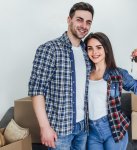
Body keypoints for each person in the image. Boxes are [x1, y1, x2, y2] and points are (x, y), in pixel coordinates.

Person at [28, 2, 94, 150]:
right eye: (79, 19)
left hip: (83, 128)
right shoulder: (49, 49)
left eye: (88, 22)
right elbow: (36, 90)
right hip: (60, 130)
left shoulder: (88, 52)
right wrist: (45, 127)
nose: (84, 25)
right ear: (69, 20)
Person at [84, 32, 137, 150]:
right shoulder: (84, 74)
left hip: (113, 128)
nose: (94, 52)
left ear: (106, 49)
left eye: (99, 47)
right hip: (91, 132)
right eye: (90, 48)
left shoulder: (118, 73)